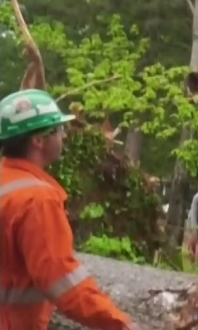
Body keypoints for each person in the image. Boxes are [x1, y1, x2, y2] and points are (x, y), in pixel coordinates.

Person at [0, 89, 140, 330]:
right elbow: (63, 282)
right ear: (38, 140)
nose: (64, 136)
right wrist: (121, 324)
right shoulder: (36, 200)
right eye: (58, 129)